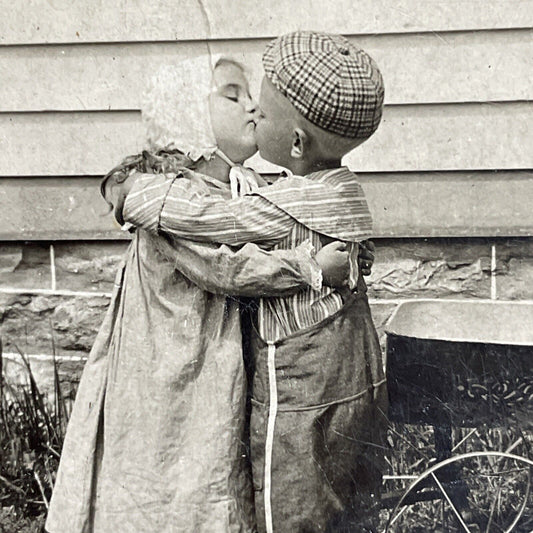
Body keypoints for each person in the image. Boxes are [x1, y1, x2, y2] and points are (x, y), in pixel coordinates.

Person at [45, 55, 356, 533]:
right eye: (233, 96)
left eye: (250, 94)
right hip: (167, 361)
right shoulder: (173, 198)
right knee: (168, 459)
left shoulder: (233, 184)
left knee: (207, 457)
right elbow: (226, 269)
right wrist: (310, 268)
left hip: (208, 352)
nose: (253, 106)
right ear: (189, 119)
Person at [116, 32, 388, 532]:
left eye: (260, 105)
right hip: (354, 368)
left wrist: (133, 193)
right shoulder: (335, 186)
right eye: (236, 95)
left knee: (290, 493)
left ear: (297, 143)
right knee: (341, 485)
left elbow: (213, 224)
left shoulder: (272, 202)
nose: (254, 109)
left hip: (301, 379)